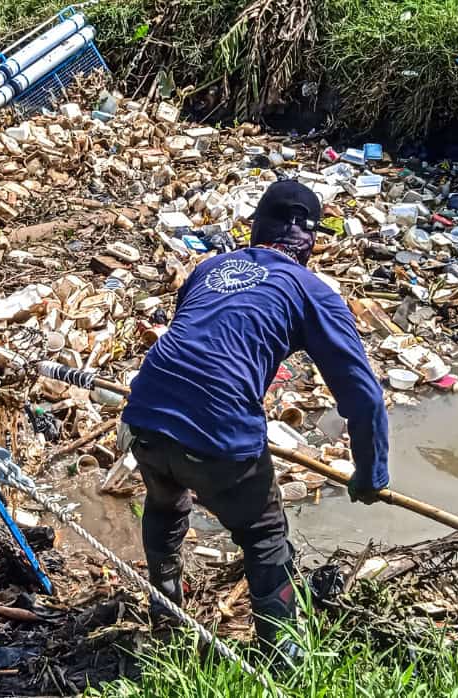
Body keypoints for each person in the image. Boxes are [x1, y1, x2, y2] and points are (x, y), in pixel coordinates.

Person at [121, 179, 391, 649]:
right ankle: (280, 656)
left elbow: (202, 339)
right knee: (264, 534)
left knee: (165, 502)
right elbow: (363, 395)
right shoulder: (312, 291)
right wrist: (371, 473)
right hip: (217, 429)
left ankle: (164, 612)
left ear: (253, 229)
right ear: (309, 241)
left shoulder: (210, 267)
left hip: (145, 413)